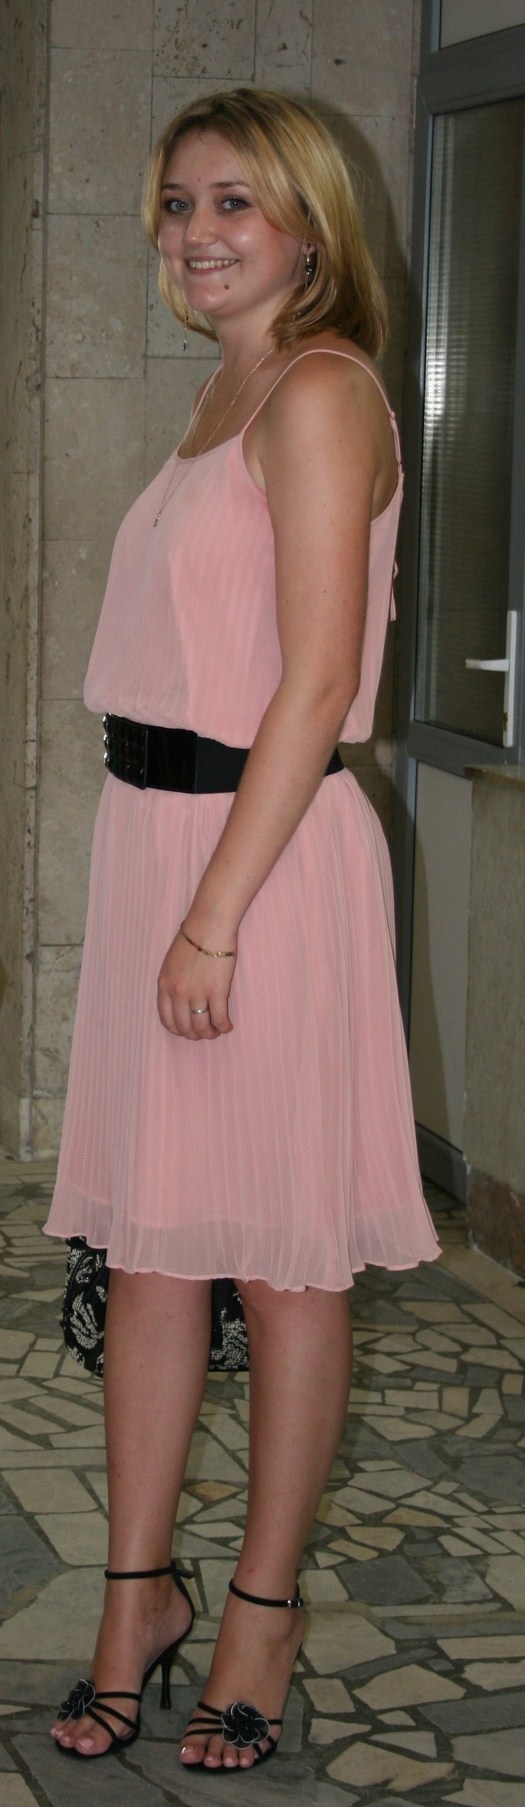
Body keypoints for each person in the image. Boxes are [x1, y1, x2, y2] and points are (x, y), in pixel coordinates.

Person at [44, 86, 440, 1772]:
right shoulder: (226, 385)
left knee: (279, 1265)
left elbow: (316, 680)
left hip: (255, 867)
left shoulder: (325, 386)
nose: (197, 233)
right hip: (162, 841)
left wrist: (212, 917)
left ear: (310, 223)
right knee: (151, 1254)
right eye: (178, 202)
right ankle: (136, 1598)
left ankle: (259, 1619)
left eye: (235, 202)